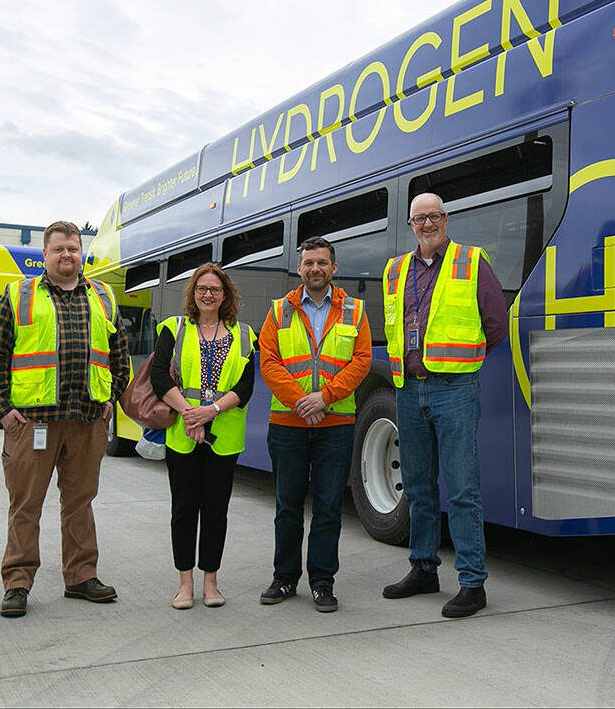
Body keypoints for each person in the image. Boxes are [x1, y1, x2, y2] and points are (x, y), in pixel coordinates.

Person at [0, 221, 130, 618]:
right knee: (25, 505)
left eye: (73, 249)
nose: (67, 255)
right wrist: (3, 409)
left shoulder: (102, 296)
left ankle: (81, 577)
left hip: (86, 420)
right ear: (44, 255)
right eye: (59, 249)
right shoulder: (19, 295)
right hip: (32, 422)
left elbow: (119, 352)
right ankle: (17, 583)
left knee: (80, 503)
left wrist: (110, 400)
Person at [380, 193, 507, 618]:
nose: (428, 223)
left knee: (462, 489)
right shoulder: (395, 269)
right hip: (407, 388)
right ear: (410, 224)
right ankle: (423, 568)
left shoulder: (471, 261)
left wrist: (461, 362)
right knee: (417, 486)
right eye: (420, 218)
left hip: (454, 388)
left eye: (434, 216)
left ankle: (473, 582)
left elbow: (496, 324)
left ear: (446, 219)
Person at [257, 236, 372, 612]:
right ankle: (285, 578)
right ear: (300, 267)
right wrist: (301, 402)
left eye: (322, 262)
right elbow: (269, 361)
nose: (315, 269)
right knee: (287, 507)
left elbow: (362, 361)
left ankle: (323, 583)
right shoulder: (279, 310)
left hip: (335, 423)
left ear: (333, 268)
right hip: (288, 423)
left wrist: (324, 398)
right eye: (308, 263)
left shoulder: (355, 310)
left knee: (327, 508)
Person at [150, 263, 256, 609]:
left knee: (215, 510)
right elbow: (159, 378)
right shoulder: (174, 328)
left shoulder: (244, 334)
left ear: (225, 295)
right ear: (192, 294)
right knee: (183, 508)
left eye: (214, 289)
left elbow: (246, 386)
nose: (208, 295)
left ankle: (211, 582)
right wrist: (189, 413)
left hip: (222, 435)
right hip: (183, 433)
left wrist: (210, 412)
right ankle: (185, 584)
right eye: (201, 289)